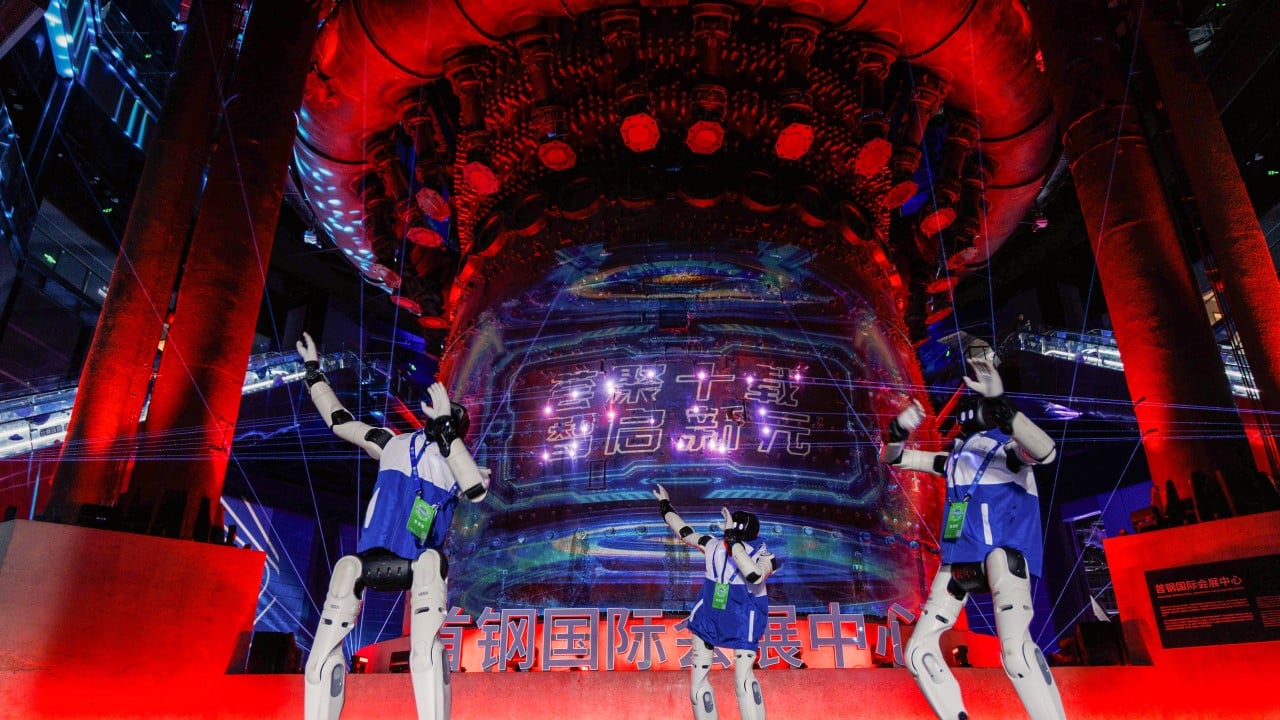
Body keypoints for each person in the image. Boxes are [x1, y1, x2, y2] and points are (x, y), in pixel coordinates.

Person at [296, 333, 489, 720]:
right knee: (340, 586)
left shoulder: (458, 463)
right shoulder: (392, 443)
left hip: (420, 562)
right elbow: (339, 421)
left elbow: (476, 489)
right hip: (370, 556)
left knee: (424, 652)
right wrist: (314, 371)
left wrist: (446, 431)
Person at [882, 346, 1065, 720]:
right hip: (959, 562)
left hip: (1002, 556)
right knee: (918, 652)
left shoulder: (1008, 451)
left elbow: (1045, 451)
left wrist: (1003, 406)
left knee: (1015, 651)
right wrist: (897, 430)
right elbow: (895, 458)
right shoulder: (952, 460)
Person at [653, 483, 777, 720]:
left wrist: (733, 542)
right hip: (711, 609)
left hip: (744, 614)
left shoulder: (764, 556)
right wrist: (665, 505)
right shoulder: (713, 545)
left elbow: (753, 574)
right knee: (698, 680)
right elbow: (685, 532)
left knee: (743, 681)